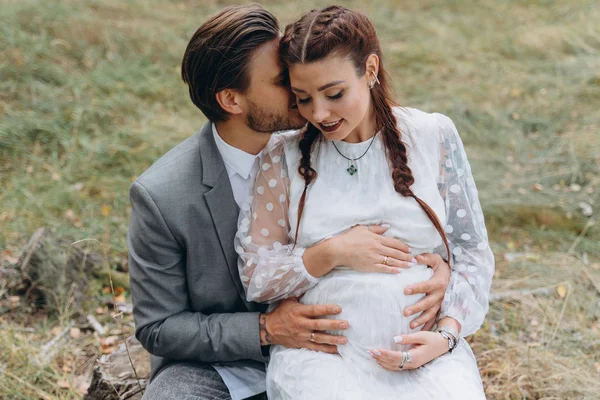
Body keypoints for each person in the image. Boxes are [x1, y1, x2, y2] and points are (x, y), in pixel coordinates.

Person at [128, 4, 451, 399]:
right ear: (232, 100)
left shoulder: (335, 140)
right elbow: (158, 327)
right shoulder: (162, 196)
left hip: (344, 351)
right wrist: (266, 330)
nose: (303, 88)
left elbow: (410, 224)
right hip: (226, 365)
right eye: (284, 80)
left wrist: (437, 270)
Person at [235, 5, 495, 399]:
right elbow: (256, 274)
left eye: (334, 93)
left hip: (425, 351)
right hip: (324, 358)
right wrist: (331, 252)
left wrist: (447, 334)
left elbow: (472, 252)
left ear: (370, 70)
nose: (319, 113)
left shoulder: (432, 135)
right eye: (303, 98)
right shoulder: (281, 157)